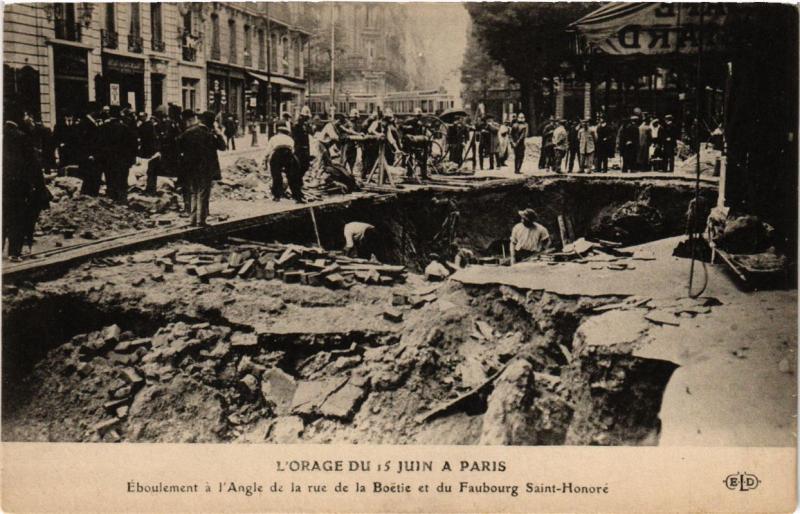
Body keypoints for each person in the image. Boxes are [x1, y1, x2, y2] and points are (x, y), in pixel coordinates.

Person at [176, 110, 226, 226]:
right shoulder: (209, 134)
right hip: (205, 169)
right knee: (203, 194)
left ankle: (192, 220)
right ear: (212, 122)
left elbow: (178, 145)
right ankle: (201, 220)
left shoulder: (189, 132)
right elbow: (223, 147)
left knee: (193, 192)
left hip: (191, 168)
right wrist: (218, 133)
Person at [97, 105, 137, 203]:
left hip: (108, 160)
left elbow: (99, 144)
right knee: (122, 181)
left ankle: (111, 200)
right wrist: (131, 160)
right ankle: (122, 200)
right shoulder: (125, 128)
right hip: (123, 160)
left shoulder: (103, 128)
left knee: (110, 180)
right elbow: (132, 145)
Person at [264, 123, 303, 203]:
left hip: (277, 154)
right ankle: (297, 196)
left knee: (276, 175)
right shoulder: (290, 139)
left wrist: (265, 159)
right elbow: (293, 150)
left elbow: (268, 151)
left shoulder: (273, 138)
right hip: (288, 154)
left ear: (278, 131)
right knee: (292, 176)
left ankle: (277, 196)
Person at [401, 107, 430, 179]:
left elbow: (422, 132)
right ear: (414, 115)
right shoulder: (409, 121)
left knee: (421, 159)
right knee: (409, 159)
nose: (418, 117)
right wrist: (409, 128)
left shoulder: (421, 123)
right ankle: (409, 174)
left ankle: (424, 174)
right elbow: (401, 128)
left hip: (417, 142)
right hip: (408, 143)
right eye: (417, 116)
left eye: (419, 116)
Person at [292, 106, 312, 177]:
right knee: (300, 164)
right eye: (306, 117)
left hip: (305, 146)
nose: (307, 119)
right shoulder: (297, 124)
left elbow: (310, 132)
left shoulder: (305, 124)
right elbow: (295, 137)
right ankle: (298, 179)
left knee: (306, 164)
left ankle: (299, 178)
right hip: (300, 147)